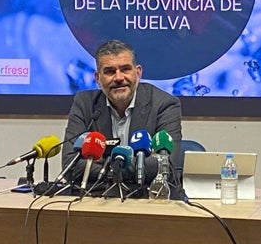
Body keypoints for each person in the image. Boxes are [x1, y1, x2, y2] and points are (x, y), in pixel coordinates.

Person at [61, 39, 182, 186]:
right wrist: (135, 166)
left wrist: (107, 168)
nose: (118, 78)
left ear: (138, 73)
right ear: (98, 79)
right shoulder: (85, 103)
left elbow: (168, 166)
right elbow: (70, 165)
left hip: (146, 199)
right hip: (97, 199)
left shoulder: (164, 104)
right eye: (110, 71)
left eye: (125, 69)